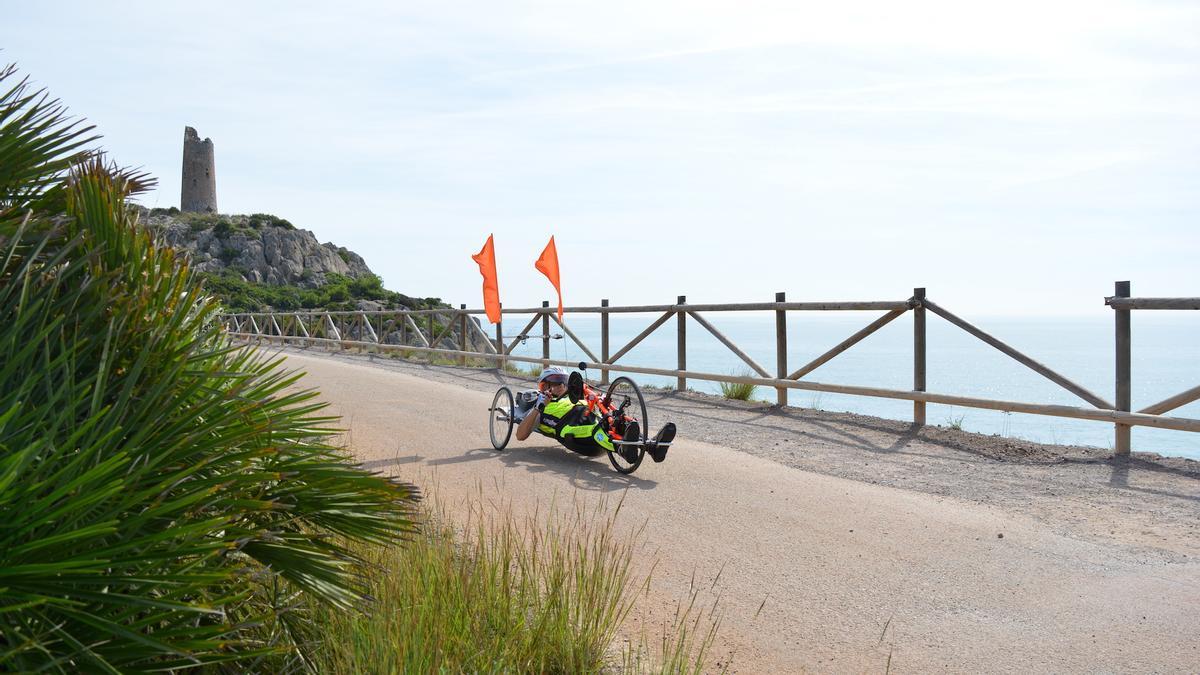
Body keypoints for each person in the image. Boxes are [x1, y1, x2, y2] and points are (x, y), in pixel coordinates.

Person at [515, 366, 675, 463]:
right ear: (545, 386)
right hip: (569, 431)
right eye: (556, 383)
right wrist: (538, 407)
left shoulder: (574, 397)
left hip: (590, 417)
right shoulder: (541, 406)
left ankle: (653, 447)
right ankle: (621, 448)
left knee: (617, 422)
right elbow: (520, 435)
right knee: (596, 428)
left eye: (563, 382)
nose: (561, 386)